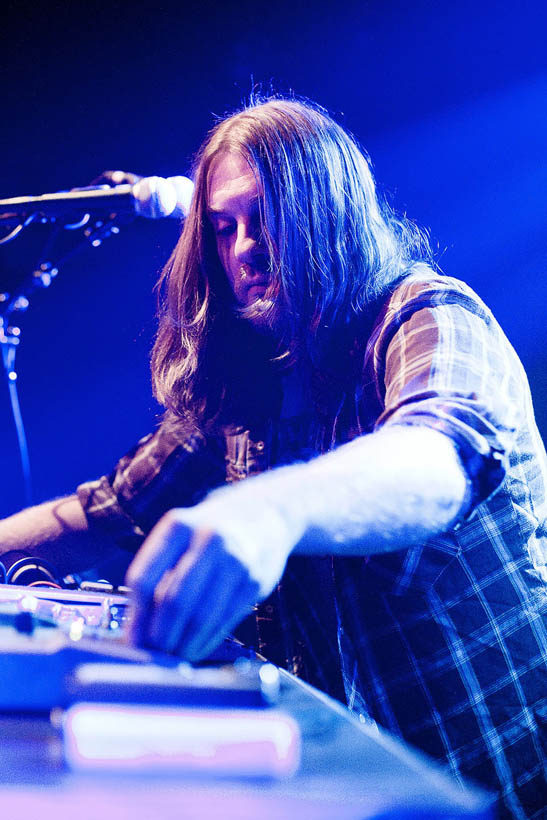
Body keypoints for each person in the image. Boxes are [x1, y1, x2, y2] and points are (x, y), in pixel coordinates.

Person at [0, 97, 545, 819]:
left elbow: (436, 455)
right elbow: (105, 511)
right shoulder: (247, 378)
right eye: (223, 229)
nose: (243, 250)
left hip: (492, 780)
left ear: (329, 209)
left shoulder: (427, 314)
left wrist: (273, 507)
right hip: (339, 787)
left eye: (265, 218)